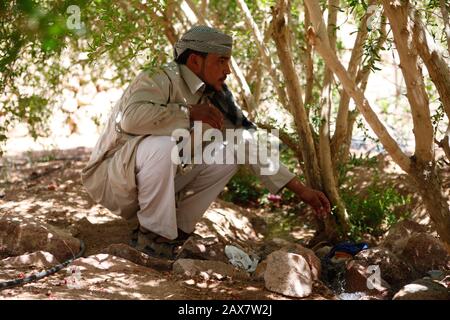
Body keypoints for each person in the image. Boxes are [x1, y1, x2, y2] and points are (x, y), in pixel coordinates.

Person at [81, 25, 331, 259]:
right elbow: (130, 120)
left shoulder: (215, 94)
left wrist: (302, 191)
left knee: (233, 148)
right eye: (221, 61)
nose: (228, 70)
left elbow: (248, 142)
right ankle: (152, 236)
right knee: (163, 146)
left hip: (157, 178)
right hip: (113, 179)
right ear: (194, 61)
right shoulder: (158, 77)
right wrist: (188, 112)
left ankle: (176, 232)